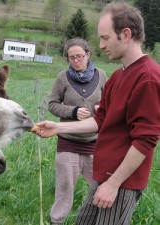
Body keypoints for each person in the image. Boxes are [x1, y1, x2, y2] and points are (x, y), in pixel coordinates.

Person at [35, 2, 160, 225]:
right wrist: (59, 127)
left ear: (125, 34)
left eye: (105, 38)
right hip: (105, 174)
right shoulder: (118, 76)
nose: (101, 46)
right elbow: (100, 120)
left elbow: (146, 139)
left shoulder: (148, 77)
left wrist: (113, 185)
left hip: (121, 182)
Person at [48, 38, 107, 225]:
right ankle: (57, 221)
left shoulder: (102, 75)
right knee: (65, 188)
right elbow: (52, 105)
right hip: (68, 142)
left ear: (88, 54)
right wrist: (72, 111)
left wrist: (101, 108)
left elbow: (110, 102)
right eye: (71, 57)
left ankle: (101, 219)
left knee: (99, 186)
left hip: (94, 143)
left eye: (79, 56)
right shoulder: (62, 78)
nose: (75, 60)